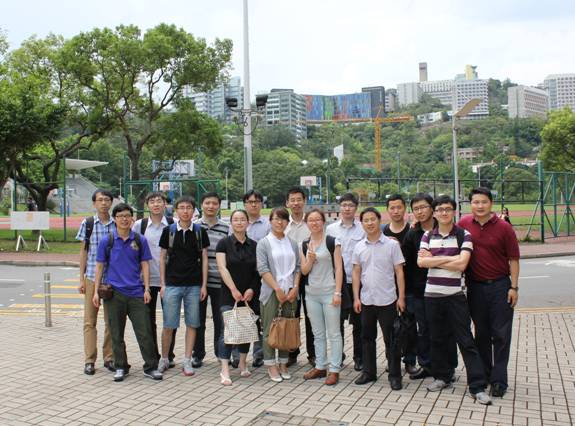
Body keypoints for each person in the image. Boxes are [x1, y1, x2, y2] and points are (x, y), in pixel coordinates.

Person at [418, 195, 491, 405]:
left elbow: (462, 265)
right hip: (432, 295)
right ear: (434, 213)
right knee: (437, 339)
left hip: (455, 296)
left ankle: (477, 386)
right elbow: (421, 263)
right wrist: (451, 258)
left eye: (448, 209)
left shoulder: (463, 235)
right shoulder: (427, 235)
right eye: (440, 209)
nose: (444, 213)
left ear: (454, 211)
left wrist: (434, 259)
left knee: (465, 341)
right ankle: (443, 377)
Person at [459, 188, 520, 398]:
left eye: (484, 202)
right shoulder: (464, 224)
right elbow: (445, 234)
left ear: (491, 203)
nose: (480, 206)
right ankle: (484, 375)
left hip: (500, 286)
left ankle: (499, 380)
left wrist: (514, 287)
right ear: (470, 204)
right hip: (475, 287)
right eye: (475, 202)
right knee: (482, 334)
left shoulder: (504, 228)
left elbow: (514, 259)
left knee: (501, 335)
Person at [92, 203, 162, 382]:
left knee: (145, 332)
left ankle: (151, 367)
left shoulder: (139, 240)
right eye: (120, 216)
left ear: (132, 219)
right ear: (115, 219)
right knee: (116, 333)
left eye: (127, 216)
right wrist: (95, 292)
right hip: (114, 294)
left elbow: (145, 264)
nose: (124, 219)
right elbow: (99, 266)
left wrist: (147, 289)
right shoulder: (107, 241)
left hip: (136, 292)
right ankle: (121, 366)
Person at [402, 193, 458, 380]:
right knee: (424, 330)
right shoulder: (412, 234)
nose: (420, 211)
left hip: (445, 288)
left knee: (445, 329)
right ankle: (427, 365)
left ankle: (448, 367)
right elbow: (406, 263)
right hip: (420, 291)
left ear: (432, 209)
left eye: (423, 207)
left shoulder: (445, 229)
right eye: (416, 208)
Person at [352, 207, 405, 390]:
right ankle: (369, 372)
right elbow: (356, 272)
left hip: (388, 300)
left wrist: (401, 297)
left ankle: (395, 375)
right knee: (367, 338)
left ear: (379, 220)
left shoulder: (392, 245)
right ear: (362, 224)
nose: (369, 223)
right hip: (366, 300)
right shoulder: (359, 246)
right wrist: (356, 298)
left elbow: (399, 271)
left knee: (392, 340)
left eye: (372, 219)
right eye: (365, 220)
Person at [158, 196, 210, 376]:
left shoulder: (200, 232)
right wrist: (163, 284)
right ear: (176, 210)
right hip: (172, 284)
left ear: (194, 211)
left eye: (189, 207)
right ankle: (164, 358)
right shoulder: (169, 231)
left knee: (192, 323)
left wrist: (204, 285)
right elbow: (162, 257)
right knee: (168, 324)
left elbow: (204, 258)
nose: (185, 211)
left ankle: (187, 360)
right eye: (182, 207)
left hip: (194, 285)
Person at [215, 209, 261, 385]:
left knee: (246, 329)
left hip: (249, 296)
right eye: (236, 220)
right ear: (231, 223)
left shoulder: (255, 245)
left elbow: (257, 271)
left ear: (248, 222)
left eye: (243, 219)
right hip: (229, 294)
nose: (239, 222)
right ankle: (225, 369)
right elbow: (222, 268)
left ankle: (242, 363)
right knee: (228, 331)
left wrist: (251, 289)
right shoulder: (223, 244)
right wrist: (233, 289)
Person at [256, 207, 301, 382]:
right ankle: (271, 365)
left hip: (290, 293)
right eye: (276, 219)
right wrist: (277, 289)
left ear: (287, 222)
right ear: (270, 221)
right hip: (271, 292)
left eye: (283, 219)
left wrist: (295, 287)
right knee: (270, 329)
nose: (280, 222)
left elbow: (298, 268)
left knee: (286, 329)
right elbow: (263, 269)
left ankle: (283, 363)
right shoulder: (264, 243)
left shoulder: (292, 243)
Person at [132, 192, 176, 367]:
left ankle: (168, 355)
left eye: (159, 201)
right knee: (148, 321)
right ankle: (153, 356)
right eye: (152, 201)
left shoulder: (173, 224)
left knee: (170, 320)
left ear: (165, 204)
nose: (156, 204)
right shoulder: (139, 225)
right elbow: (133, 249)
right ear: (147, 205)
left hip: (169, 280)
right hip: (146, 281)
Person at [300, 209, 344, 385]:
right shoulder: (304, 244)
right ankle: (320, 366)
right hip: (311, 294)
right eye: (311, 220)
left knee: (334, 333)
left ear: (323, 222)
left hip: (330, 293)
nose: (314, 223)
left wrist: (338, 292)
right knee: (317, 333)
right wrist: (310, 260)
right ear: (306, 223)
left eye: (318, 219)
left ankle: (334, 369)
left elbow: (339, 268)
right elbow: (304, 271)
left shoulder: (332, 241)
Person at [76, 189, 115, 375]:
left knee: (111, 321)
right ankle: (89, 360)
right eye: (100, 200)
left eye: (107, 200)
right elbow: (83, 252)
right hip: (92, 277)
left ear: (111, 202)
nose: (104, 203)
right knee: (89, 322)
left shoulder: (118, 223)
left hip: (113, 279)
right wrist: (81, 279)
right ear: (94, 203)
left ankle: (109, 358)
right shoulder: (88, 224)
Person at [230, 189, 270, 368]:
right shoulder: (236, 223)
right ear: (244, 204)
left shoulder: (268, 225)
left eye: (256, 201)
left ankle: (258, 353)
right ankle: (236, 355)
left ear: (261, 204)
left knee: (257, 317)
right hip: (238, 278)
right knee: (237, 318)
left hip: (261, 278)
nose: (253, 204)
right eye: (250, 201)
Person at [326, 193, 365, 372]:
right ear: (339, 207)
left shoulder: (363, 228)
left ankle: (359, 358)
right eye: (344, 205)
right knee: (337, 322)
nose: (347, 208)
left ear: (356, 207)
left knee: (359, 323)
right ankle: (338, 356)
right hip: (338, 283)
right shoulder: (331, 229)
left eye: (350, 205)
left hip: (358, 281)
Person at [382, 193, 420, 376]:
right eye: (392, 208)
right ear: (387, 210)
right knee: (389, 326)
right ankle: (392, 359)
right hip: (388, 287)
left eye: (399, 207)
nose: (396, 211)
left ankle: (410, 361)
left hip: (410, 285)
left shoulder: (412, 230)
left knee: (409, 325)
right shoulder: (383, 232)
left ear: (405, 209)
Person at [192, 192, 229, 368]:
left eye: (214, 203)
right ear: (202, 205)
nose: (211, 206)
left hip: (220, 281)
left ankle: (220, 353)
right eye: (207, 203)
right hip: (199, 282)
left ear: (219, 206)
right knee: (198, 319)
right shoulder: (195, 226)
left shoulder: (226, 228)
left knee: (220, 320)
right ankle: (197, 354)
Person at [284, 187, 314, 367]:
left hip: (310, 275)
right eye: (292, 200)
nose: (296, 203)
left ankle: (313, 354)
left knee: (311, 316)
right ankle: (291, 352)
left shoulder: (311, 222)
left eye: (299, 199)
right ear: (287, 203)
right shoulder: (283, 224)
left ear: (304, 201)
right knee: (291, 316)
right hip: (289, 276)